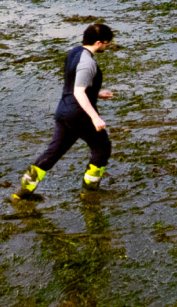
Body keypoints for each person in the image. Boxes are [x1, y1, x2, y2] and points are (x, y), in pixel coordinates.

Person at [18, 23, 116, 202]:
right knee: (102, 147)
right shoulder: (88, 63)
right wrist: (95, 117)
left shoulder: (74, 52)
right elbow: (79, 92)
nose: (107, 47)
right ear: (99, 43)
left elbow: (74, 85)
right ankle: (90, 190)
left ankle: (24, 190)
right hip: (78, 114)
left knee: (54, 151)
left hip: (63, 111)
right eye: (107, 44)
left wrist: (97, 93)